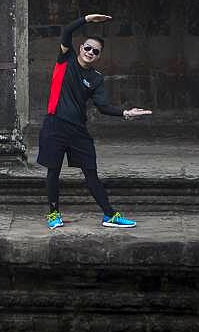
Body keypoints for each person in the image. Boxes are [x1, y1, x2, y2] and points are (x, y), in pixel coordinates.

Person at [39, 13, 152, 230]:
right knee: (53, 170)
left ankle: (109, 215)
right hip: (55, 125)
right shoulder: (66, 60)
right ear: (81, 48)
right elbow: (66, 32)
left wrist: (125, 113)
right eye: (88, 48)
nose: (90, 52)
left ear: (98, 57)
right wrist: (88, 19)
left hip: (78, 130)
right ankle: (53, 214)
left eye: (96, 51)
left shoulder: (96, 78)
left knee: (91, 171)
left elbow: (103, 106)